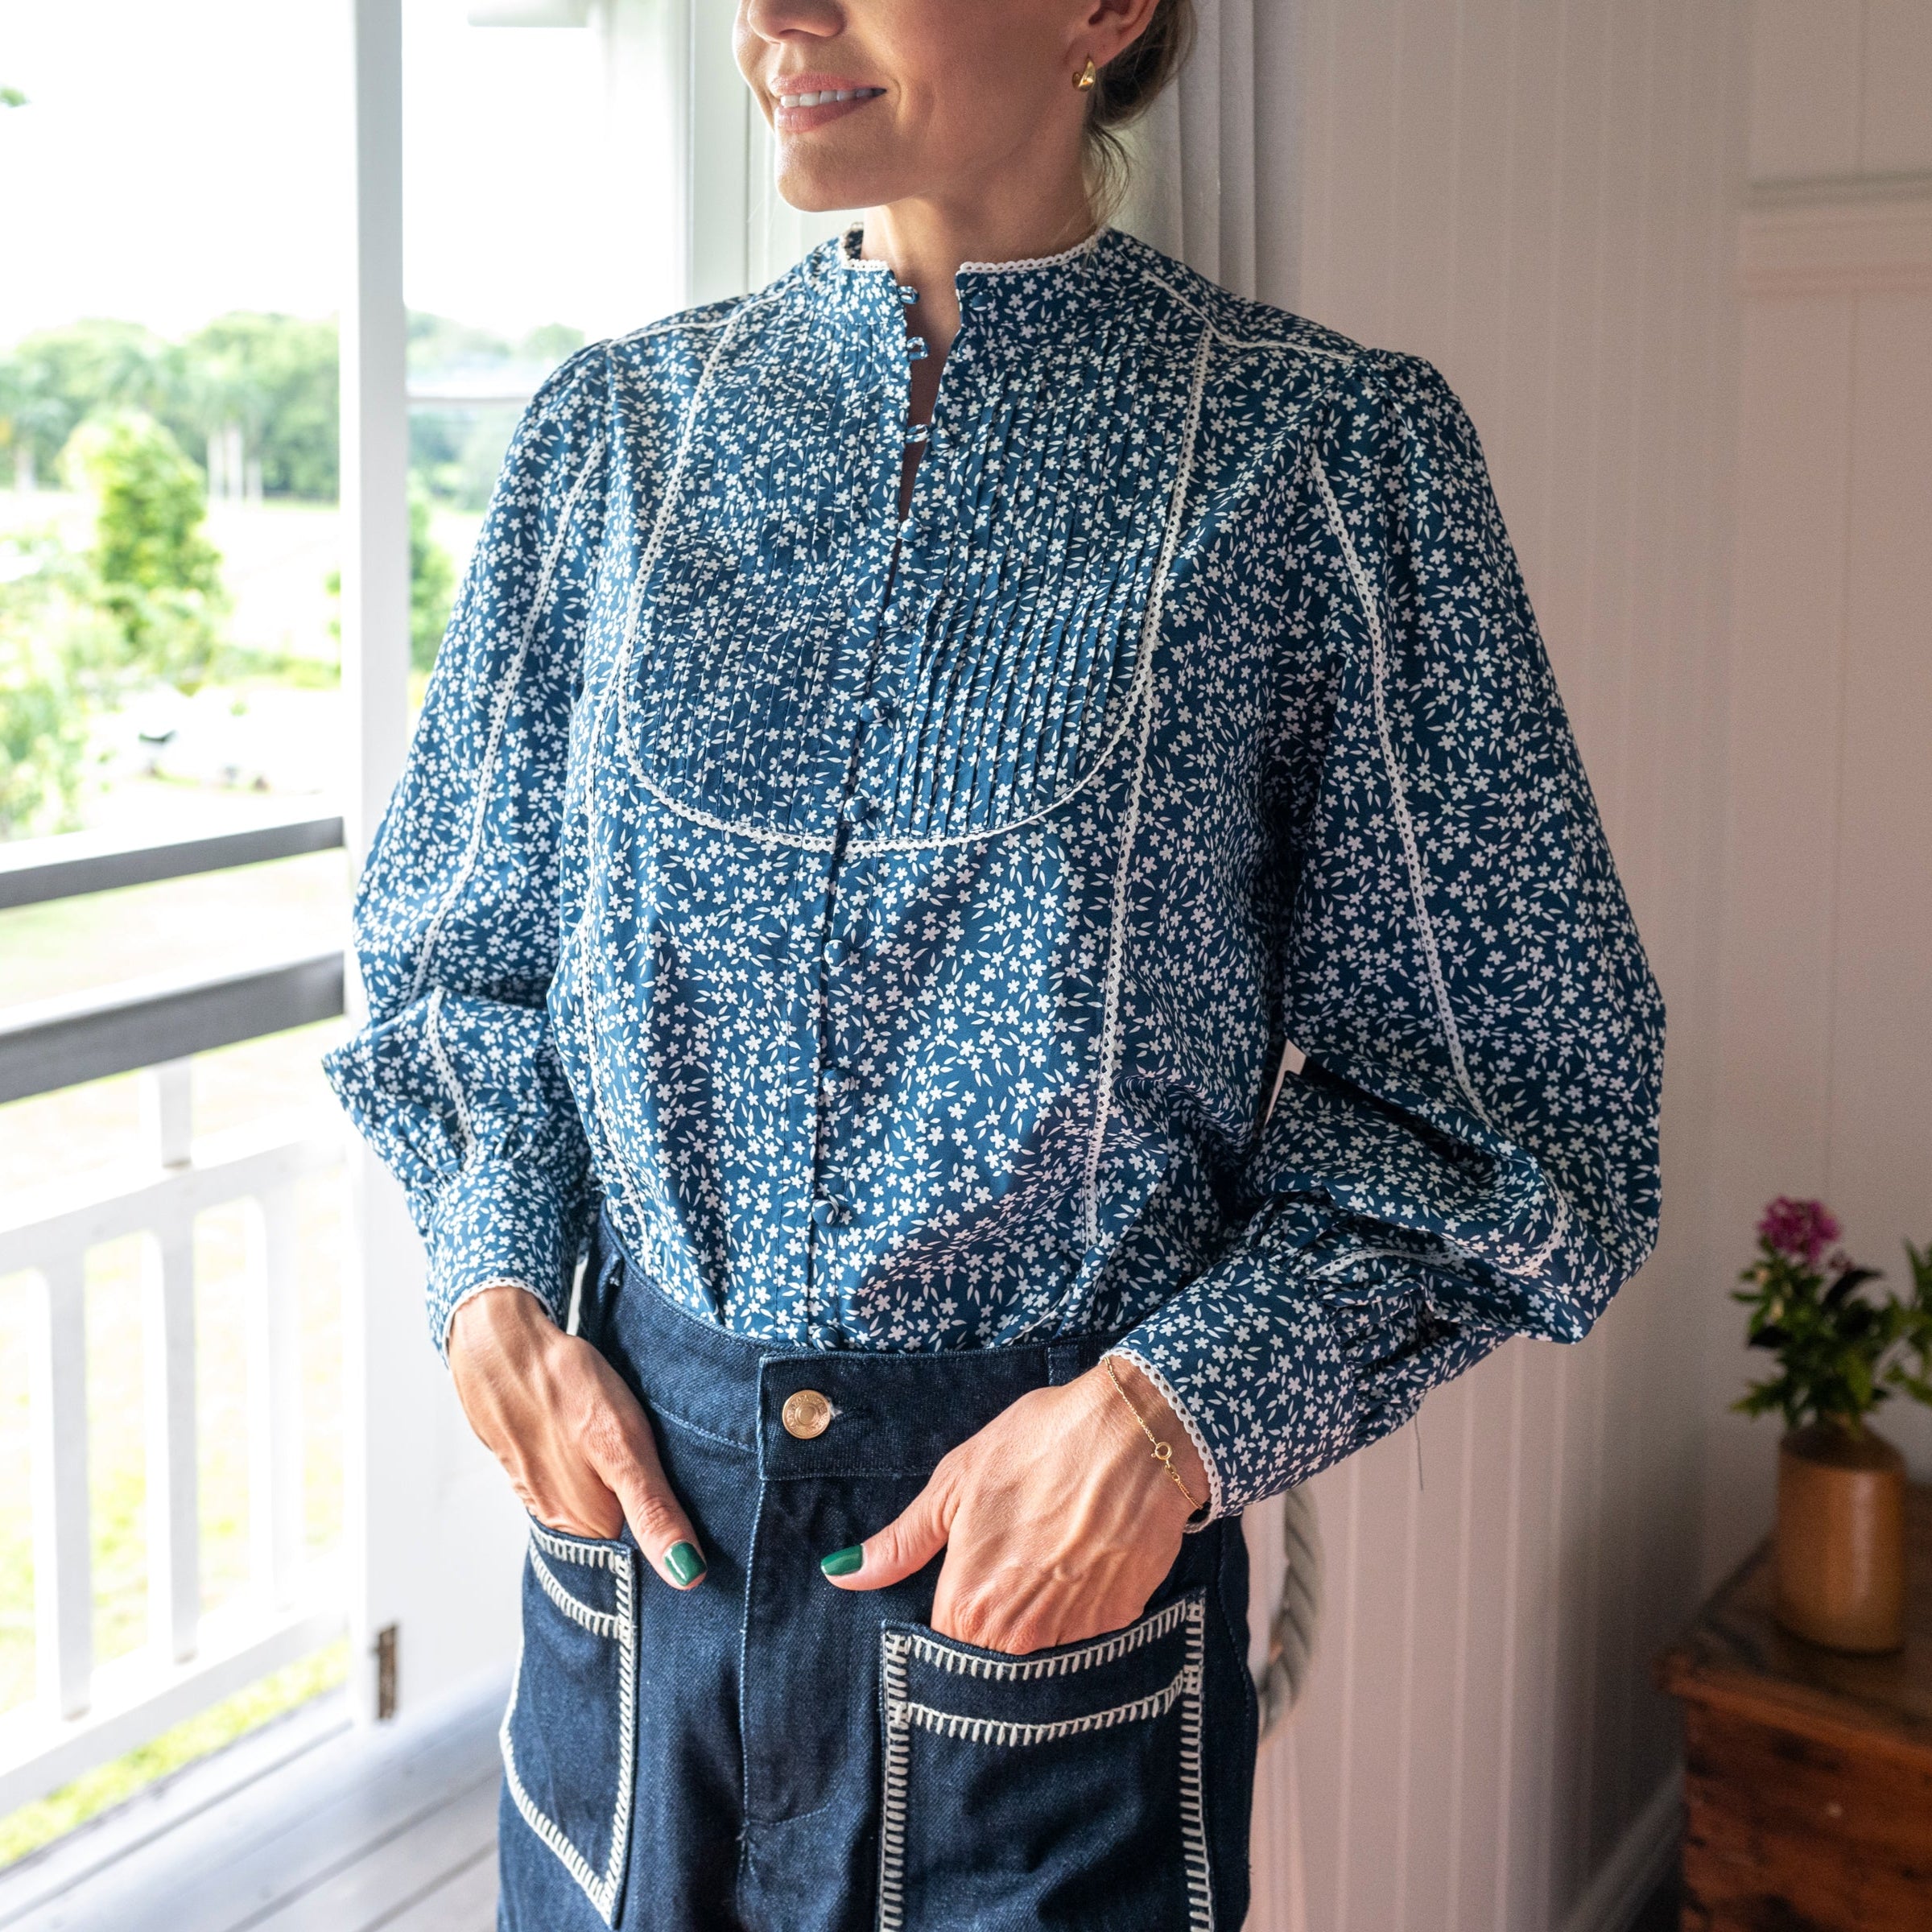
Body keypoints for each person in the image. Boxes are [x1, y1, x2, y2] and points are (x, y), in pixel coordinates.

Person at [324, 0, 1666, 1924]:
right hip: (639, 1586)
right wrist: (495, 1290)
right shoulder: (612, 440)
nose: (774, 16)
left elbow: (1531, 1105)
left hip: (1034, 1613)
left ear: (1105, 7)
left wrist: (1170, 1411)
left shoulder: (1328, 465)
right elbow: (459, 956)